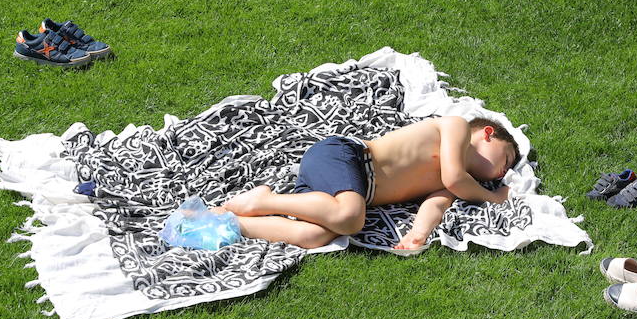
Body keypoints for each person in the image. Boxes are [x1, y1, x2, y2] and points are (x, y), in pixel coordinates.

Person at [219, 116, 521, 250]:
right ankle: (263, 200)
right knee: (350, 218)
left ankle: (234, 221)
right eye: (505, 160)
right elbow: (452, 177)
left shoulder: (459, 184)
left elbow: (436, 203)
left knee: (314, 236)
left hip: (342, 191)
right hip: (344, 157)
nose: (499, 175)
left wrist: (417, 235)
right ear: (488, 133)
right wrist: (494, 197)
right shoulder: (455, 127)